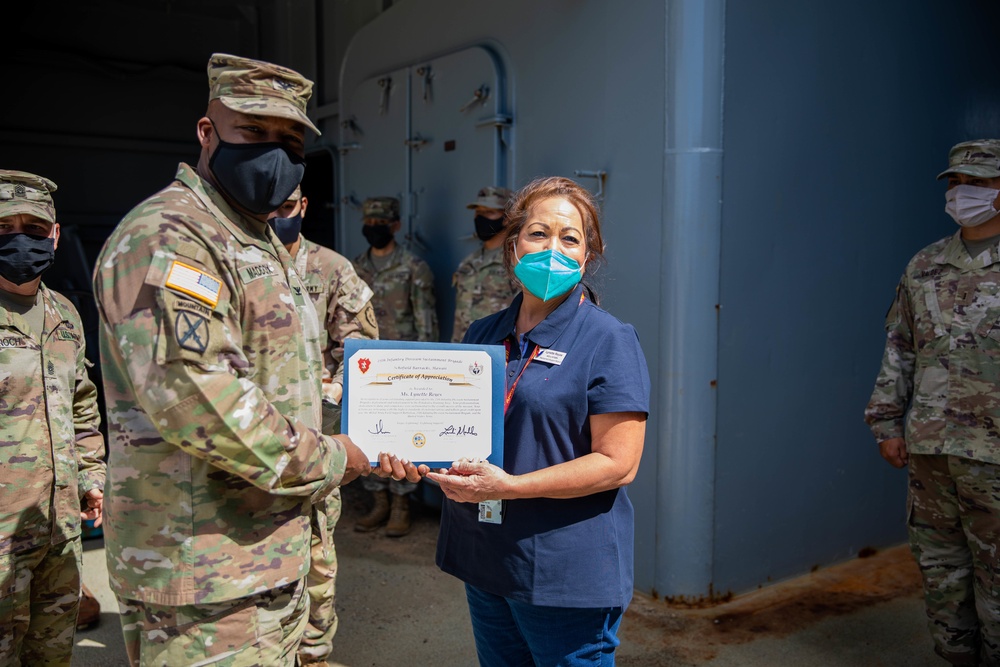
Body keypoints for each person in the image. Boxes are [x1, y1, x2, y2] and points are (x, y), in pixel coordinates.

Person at [93, 53, 370, 666]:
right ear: (207, 131)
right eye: (254, 132)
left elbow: (281, 380)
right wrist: (330, 457)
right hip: (205, 575)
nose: (274, 152)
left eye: (289, 139)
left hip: (266, 558)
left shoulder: (255, 238)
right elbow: (201, 400)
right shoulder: (172, 235)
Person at [385, 176, 651, 665]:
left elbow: (619, 463)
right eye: (538, 234)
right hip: (486, 558)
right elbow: (449, 428)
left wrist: (508, 487)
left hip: (561, 575)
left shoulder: (609, 340)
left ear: (587, 257)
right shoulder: (484, 334)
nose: (552, 248)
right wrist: (410, 452)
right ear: (512, 249)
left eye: (569, 238)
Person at [865, 138, 1000, 666]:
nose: (963, 192)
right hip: (931, 450)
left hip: (993, 457)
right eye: (956, 183)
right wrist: (885, 423)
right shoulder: (925, 265)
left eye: (979, 183)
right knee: (942, 572)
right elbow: (900, 346)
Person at [267, 185, 379, 666]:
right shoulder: (235, 264)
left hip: (316, 442)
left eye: (287, 208)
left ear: (304, 207)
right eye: (269, 208)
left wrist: (330, 392)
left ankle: (313, 654)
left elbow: (360, 353)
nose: (278, 217)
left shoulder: (332, 270)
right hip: (252, 442)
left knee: (316, 558)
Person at [0, 170, 106, 666]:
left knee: (52, 655)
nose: (21, 239)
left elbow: (82, 405)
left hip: (59, 530)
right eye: (5, 228)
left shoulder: (65, 314)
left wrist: (92, 476)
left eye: (35, 230)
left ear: (55, 235)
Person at [353, 196, 438, 536]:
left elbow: (426, 322)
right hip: (367, 369)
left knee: (401, 437)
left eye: (380, 223)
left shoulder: (414, 267)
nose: (373, 229)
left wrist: (426, 369)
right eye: (369, 223)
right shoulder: (356, 268)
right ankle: (379, 502)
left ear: (396, 225)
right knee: (368, 434)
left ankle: (402, 504)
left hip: (405, 368)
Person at [451, 186, 519, 343]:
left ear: (507, 217)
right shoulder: (468, 263)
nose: (481, 218)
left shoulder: (516, 261)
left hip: (498, 351)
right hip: (464, 350)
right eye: (478, 213)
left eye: (489, 212)